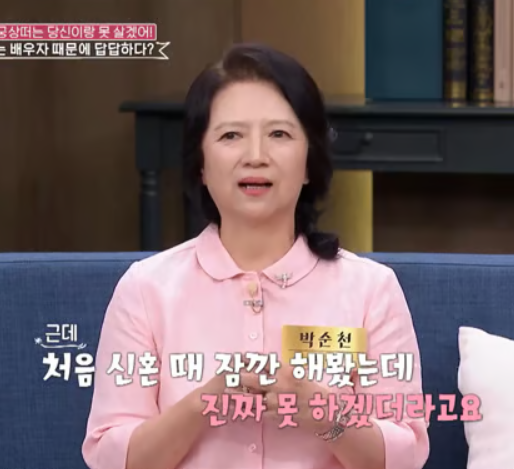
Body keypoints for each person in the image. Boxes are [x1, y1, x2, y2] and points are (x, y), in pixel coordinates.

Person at [82, 43, 429, 469]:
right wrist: (205, 403)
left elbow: (405, 456)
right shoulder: (146, 290)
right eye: (231, 136)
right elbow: (111, 457)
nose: (256, 157)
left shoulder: (370, 290)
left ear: (309, 162)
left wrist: (325, 415)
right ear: (201, 164)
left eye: (279, 134)